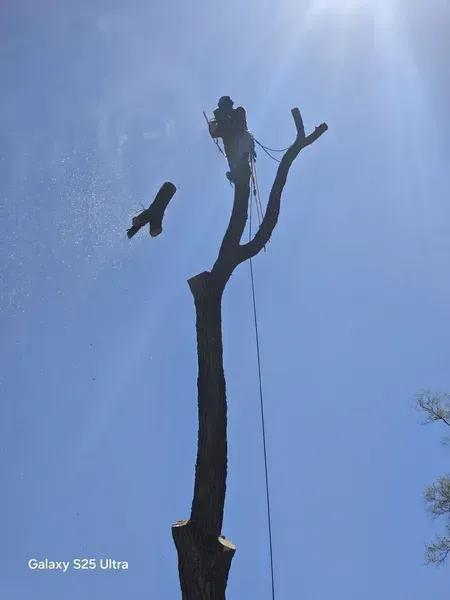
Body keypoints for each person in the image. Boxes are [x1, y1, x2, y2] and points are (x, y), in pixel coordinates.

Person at [208, 96, 255, 184]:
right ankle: (236, 175)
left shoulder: (238, 112)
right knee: (235, 166)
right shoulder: (222, 123)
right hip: (232, 152)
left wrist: (223, 120)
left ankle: (241, 173)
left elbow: (239, 127)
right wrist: (213, 127)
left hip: (241, 148)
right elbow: (214, 134)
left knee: (242, 169)